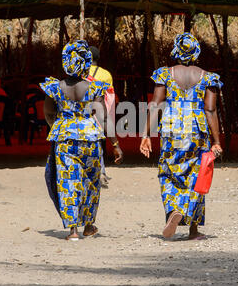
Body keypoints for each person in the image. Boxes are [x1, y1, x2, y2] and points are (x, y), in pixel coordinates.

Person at [140, 32, 223, 240]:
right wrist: (216, 141)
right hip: (197, 129)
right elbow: (210, 110)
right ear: (196, 51)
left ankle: (173, 210)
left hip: (172, 127)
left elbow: (156, 104)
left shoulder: (165, 74)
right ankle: (193, 230)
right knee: (197, 174)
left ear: (176, 50)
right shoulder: (208, 77)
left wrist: (146, 134)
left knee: (168, 171)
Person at [40, 40, 123, 241]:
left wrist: (60, 126)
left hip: (65, 139)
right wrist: (115, 144)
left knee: (68, 182)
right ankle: (88, 226)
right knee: (90, 182)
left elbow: (49, 113)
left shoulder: (56, 88)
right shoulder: (94, 88)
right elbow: (103, 117)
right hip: (91, 139)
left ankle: (73, 231)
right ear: (86, 62)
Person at [87, 46, 115, 187]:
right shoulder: (106, 75)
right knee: (100, 142)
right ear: (98, 58)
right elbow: (110, 96)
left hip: (84, 113)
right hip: (101, 111)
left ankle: (96, 171)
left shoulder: (80, 72)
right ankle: (101, 172)